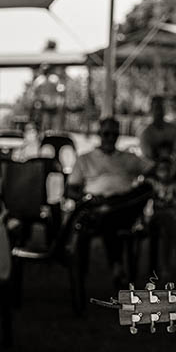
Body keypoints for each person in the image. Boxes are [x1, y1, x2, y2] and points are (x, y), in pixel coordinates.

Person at [66, 117, 151, 289]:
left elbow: (155, 171)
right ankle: (117, 267)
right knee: (109, 220)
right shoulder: (85, 159)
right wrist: (87, 198)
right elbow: (70, 190)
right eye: (106, 133)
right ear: (99, 134)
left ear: (118, 135)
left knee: (146, 189)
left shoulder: (129, 158)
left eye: (114, 134)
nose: (110, 137)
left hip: (125, 207)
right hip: (96, 207)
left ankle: (109, 208)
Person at [144, 143, 176, 282]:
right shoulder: (151, 180)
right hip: (155, 219)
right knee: (164, 217)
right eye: (161, 158)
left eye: (168, 158)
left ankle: (165, 267)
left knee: (167, 226)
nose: (165, 162)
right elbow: (144, 204)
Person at [139, 96, 176, 162]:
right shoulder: (146, 133)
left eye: (161, 108)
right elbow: (147, 159)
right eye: (156, 108)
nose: (159, 111)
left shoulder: (172, 129)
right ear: (151, 110)